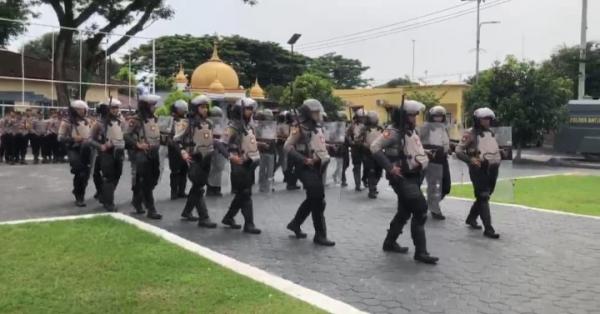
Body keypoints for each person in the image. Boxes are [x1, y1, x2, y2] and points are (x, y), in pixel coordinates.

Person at [371, 100, 439, 264]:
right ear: (402, 116)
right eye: (411, 115)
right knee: (420, 209)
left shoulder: (410, 131)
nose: (415, 117)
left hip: (414, 176)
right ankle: (421, 252)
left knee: (404, 212)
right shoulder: (393, 132)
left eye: (415, 115)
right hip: (402, 178)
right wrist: (389, 167)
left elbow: (413, 148)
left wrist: (426, 153)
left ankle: (389, 242)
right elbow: (374, 147)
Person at [284, 99, 335, 246]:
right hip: (304, 167)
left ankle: (295, 223)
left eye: (318, 111)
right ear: (307, 113)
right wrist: (303, 159)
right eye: (315, 112)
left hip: (319, 166)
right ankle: (320, 235)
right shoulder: (299, 127)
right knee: (318, 200)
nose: (318, 114)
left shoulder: (317, 127)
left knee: (314, 199)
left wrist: (329, 147)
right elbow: (287, 147)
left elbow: (318, 144)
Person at [455, 107, 502, 239]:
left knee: (485, 196)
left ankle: (471, 218)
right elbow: (458, 150)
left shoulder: (491, 133)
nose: (486, 121)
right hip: (478, 169)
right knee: (483, 196)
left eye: (488, 119)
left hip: (492, 168)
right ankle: (489, 229)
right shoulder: (470, 133)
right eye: (483, 119)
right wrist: (470, 160)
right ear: (477, 120)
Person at [217, 97, 261, 234]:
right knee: (246, 193)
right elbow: (220, 144)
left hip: (249, 163)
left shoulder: (248, 126)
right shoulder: (233, 126)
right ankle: (249, 224)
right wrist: (231, 156)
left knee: (243, 193)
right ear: (240, 110)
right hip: (238, 164)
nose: (251, 111)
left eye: (251, 109)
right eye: (247, 109)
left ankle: (228, 217)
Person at [176, 95, 219, 228]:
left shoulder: (209, 123)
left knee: (197, 186)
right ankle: (204, 218)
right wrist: (182, 152)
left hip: (207, 158)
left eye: (206, 106)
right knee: (199, 187)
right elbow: (176, 139)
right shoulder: (187, 123)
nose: (205, 109)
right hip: (194, 157)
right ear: (195, 108)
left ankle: (187, 211)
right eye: (202, 107)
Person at [124, 94, 163, 219]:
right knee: (146, 180)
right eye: (152, 105)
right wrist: (138, 144)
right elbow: (126, 135)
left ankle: (137, 199)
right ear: (145, 106)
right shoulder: (135, 120)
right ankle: (151, 209)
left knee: (154, 178)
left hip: (154, 152)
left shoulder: (155, 118)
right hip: (141, 154)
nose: (154, 107)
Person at [88, 99, 125, 212]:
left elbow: (125, 135)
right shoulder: (99, 123)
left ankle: (105, 196)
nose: (115, 110)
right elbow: (90, 139)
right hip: (106, 153)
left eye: (117, 108)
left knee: (117, 176)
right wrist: (101, 146)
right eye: (113, 108)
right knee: (109, 177)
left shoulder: (120, 121)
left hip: (119, 152)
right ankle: (109, 203)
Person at [58, 100, 93, 207]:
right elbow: (60, 138)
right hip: (74, 149)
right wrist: (73, 139)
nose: (84, 111)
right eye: (81, 109)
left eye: (84, 109)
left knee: (86, 174)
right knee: (80, 172)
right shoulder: (66, 122)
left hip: (87, 149)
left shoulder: (88, 121)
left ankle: (78, 190)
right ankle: (79, 196)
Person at [420, 106, 452, 220]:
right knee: (434, 185)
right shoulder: (426, 127)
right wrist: (428, 150)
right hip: (432, 159)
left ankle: (431, 203)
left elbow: (445, 141)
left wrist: (449, 147)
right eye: (436, 116)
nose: (438, 118)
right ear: (431, 116)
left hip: (443, 158)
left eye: (440, 116)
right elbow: (417, 141)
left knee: (446, 186)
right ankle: (434, 209)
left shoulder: (445, 127)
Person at [168, 100, 190, 200]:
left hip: (185, 147)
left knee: (184, 170)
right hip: (174, 149)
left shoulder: (186, 120)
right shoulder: (171, 120)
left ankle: (181, 191)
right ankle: (174, 192)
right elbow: (169, 135)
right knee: (175, 171)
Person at [206, 105, 226, 197]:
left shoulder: (222, 124)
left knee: (219, 168)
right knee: (212, 168)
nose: (216, 118)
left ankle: (217, 188)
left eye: (218, 116)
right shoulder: (207, 124)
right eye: (214, 116)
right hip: (211, 147)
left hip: (220, 148)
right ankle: (210, 188)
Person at [363, 111, 383, 199]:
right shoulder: (364, 130)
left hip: (379, 153)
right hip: (368, 153)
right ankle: (372, 190)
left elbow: (386, 138)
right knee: (371, 172)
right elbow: (359, 140)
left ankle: (373, 186)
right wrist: (365, 144)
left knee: (379, 172)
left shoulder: (381, 129)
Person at [256, 109, 276, 193]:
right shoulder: (259, 126)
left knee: (269, 170)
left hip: (270, 150)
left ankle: (268, 186)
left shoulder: (273, 126)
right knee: (263, 169)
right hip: (263, 150)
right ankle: (262, 186)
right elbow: (257, 137)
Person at [347, 109, 367, 191]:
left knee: (367, 167)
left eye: (364, 117)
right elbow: (347, 135)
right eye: (361, 117)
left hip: (365, 149)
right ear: (358, 117)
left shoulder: (367, 126)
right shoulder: (352, 125)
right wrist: (351, 141)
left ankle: (365, 180)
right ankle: (357, 185)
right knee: (357, 167)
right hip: (355, 148)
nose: (363, 118)